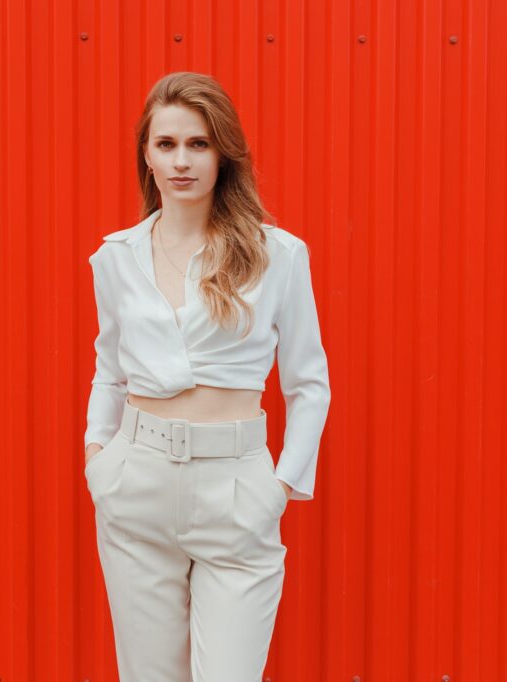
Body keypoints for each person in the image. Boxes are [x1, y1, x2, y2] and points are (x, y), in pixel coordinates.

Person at [82, 71, 331, 682]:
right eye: (166, 145)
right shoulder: (116, 257)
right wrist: (97, 460)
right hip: (135, 485)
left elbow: (309, 382)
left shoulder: (277, 255)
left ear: (224, 152)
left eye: (198, 143)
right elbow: (109, 372)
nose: (182, 161)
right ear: (146, 155)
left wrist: (280, 488)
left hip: (237, 490)